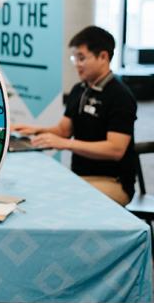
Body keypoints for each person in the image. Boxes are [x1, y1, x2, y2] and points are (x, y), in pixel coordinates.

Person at [14, 26, 138, 206]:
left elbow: (115, 149)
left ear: (103, 57)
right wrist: (35, 130)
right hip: (80, 176)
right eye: (75, 58)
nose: (76, 64)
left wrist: (66, 144)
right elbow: (64, 131)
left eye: (82, 58)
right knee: (35, 190)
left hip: (113, 182)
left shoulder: (120, 96)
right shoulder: (79, 89)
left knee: (57, 201)